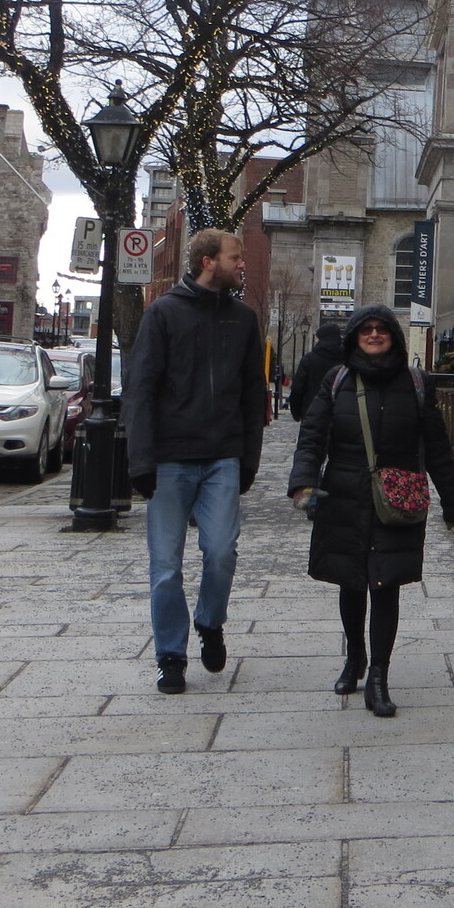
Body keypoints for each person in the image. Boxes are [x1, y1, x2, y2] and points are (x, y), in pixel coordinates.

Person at [289, 303, 454, 716]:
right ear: (354, 336)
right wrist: (304, 483)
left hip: (396, 500)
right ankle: (355, 657)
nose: (373, 335)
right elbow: (312, 435)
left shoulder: (416, 384)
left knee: (386, 585)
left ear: (393, 336)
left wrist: (453, 501)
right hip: (344, 495)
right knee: (351, 582)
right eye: (365, 329)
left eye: (381, 328)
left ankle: (379, 677)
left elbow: (437, 446)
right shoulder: (337, 379)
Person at [122, 228, 268, 695]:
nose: (241, 264)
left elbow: (253, 394)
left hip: (223, 457)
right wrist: (141, 461)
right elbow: (141, 389)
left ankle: (210, 620)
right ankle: (170, 656)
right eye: (234, 257)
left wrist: (248, 458)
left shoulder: (243, 319)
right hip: (170, 460)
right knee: (166, 566)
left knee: (222, 551)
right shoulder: (163, 313)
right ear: (208, 261)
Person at [288, 322, 345, 431]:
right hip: (339, 415)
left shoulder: (309, 359)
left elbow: (298, 389)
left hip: (311, 413)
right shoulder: (346, 359)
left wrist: (297, 412)